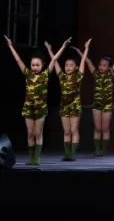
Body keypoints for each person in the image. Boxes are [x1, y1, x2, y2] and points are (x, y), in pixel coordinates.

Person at [6, 36, 66, 165]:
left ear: (42, 65)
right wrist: (11, 46)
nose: (34, 67)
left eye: (37, 65)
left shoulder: (45, 75)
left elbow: (54, 59)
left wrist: (63, 46)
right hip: (28, 108)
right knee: (30, 134)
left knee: (38, 133)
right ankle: (30, 157)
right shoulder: (28, 74)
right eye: (33, 65)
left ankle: (37, 157)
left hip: (40, 109)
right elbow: (18, 60)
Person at [87, 45, 114, 156]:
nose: (101, 67)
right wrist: (84, 50)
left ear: (109, 67)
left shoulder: (111, 74)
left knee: (105, 128)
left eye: (104, 65)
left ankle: (104, 149)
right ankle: (97, 149)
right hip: (96, 105)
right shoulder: (96, 74)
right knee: (97, 128)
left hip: (107, 105)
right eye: (100, 65)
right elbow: (87, 62)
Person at [53, 39, 92, 161]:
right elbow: (54, 61)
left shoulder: (78, 76)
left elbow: (83, 62)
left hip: (75, 106)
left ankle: (72, 154)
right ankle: (67, 153)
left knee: (74, 130)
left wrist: (86, 49)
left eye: (71, 65)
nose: (68, 67)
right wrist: (61, 47)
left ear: (75, 67)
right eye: (66, 65)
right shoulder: (61, 76)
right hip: (64, 107)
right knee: (66, 132)